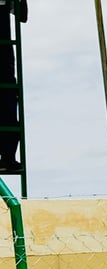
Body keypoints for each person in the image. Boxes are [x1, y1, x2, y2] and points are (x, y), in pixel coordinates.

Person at [0, 0, 27, 173]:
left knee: (8, 100)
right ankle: (7, 157)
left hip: (3, 54)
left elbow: (22, 16)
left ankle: (7, 157)